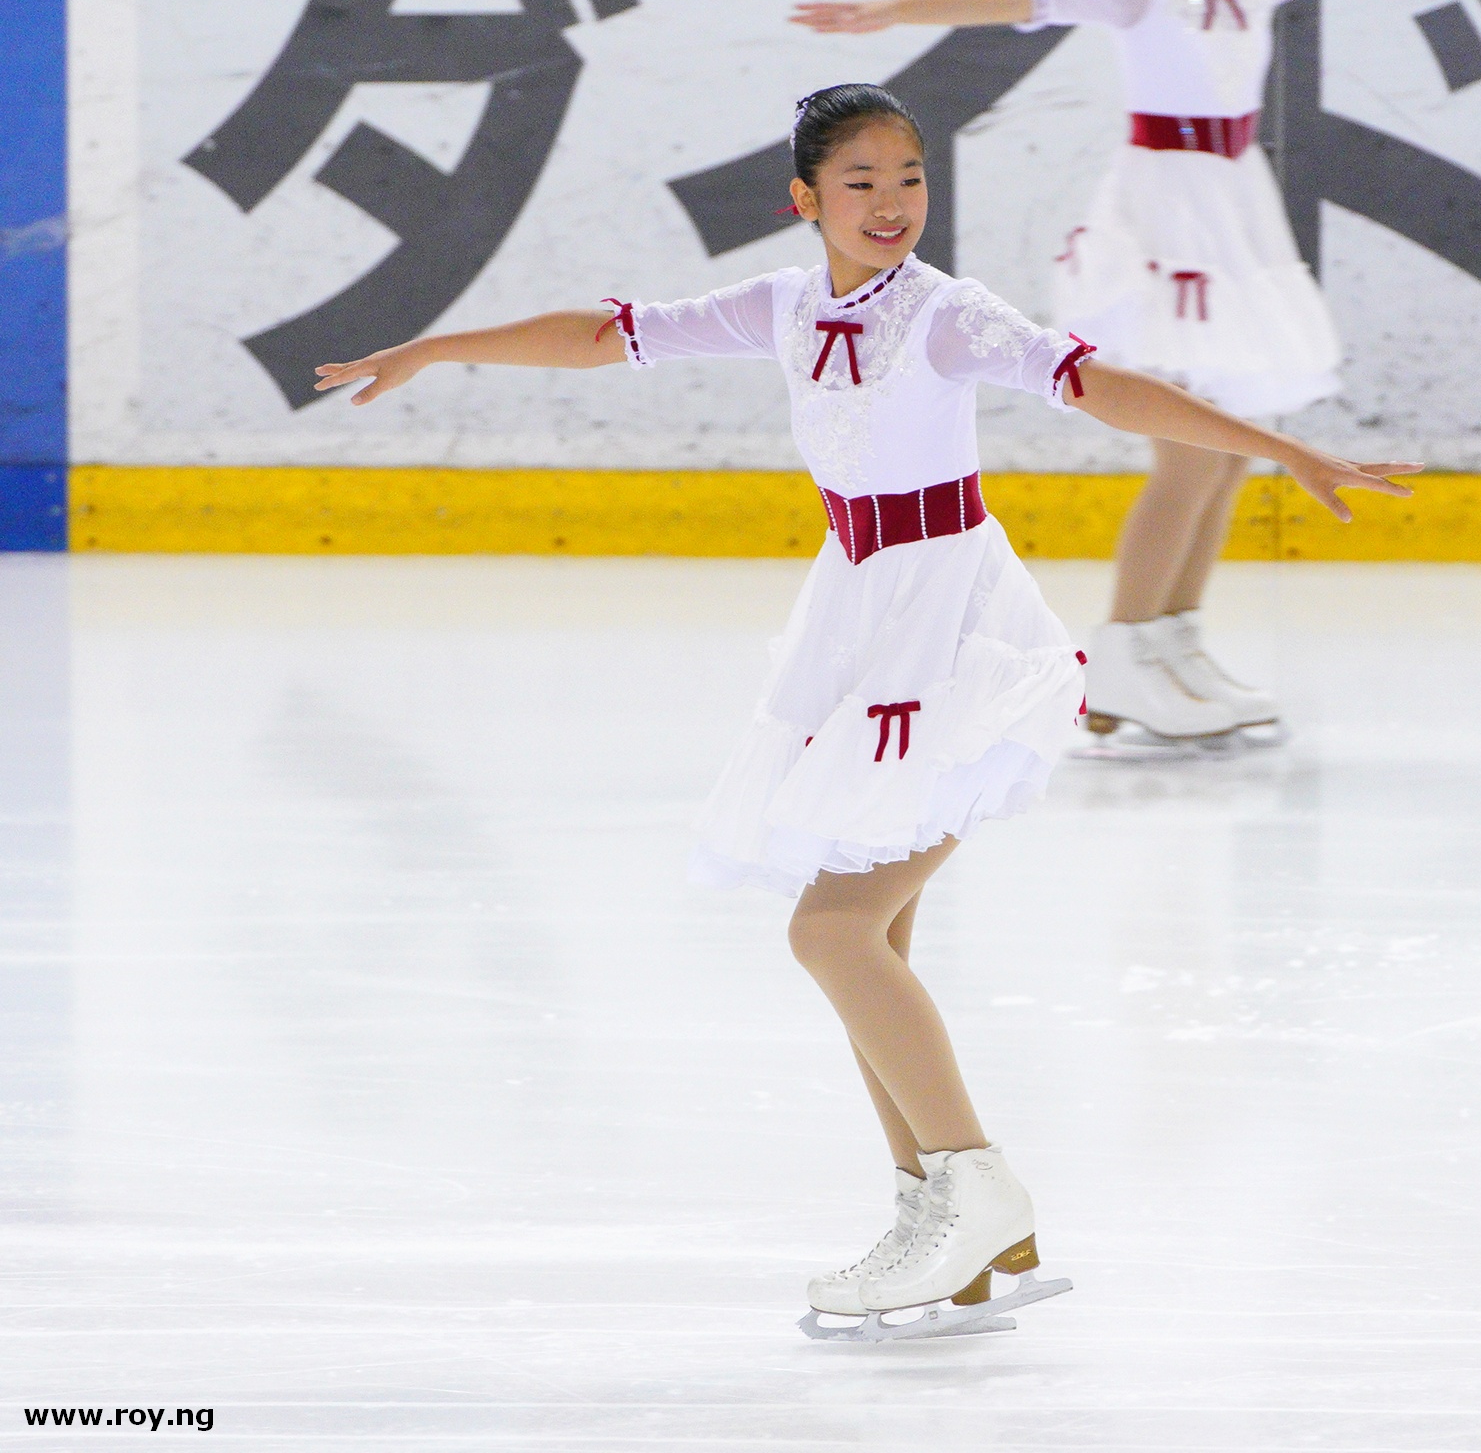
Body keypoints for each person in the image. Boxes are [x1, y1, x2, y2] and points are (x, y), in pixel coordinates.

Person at [313, 84, 1417, 1336]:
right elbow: (609, 332)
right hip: (861, 613)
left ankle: (976, 1188)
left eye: (909, 178)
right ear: (806, 199)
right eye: (861, 183)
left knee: (830, 931)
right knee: (873, 934)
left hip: (951, 624)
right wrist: (439, 346)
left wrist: (1281, 449)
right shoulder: (784, 306)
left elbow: (1100, 385)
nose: (891, 204)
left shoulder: (945, 314)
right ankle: (938, 1214)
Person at [791, 0, 1481, 742]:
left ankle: (1171, 639)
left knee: (1231, 449)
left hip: (1233, 204)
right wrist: (894, 9)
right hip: (1160, 218)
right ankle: (1122, 653)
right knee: (1192, 449)